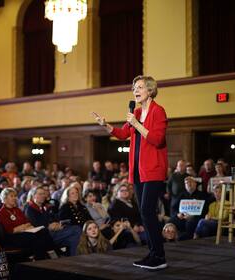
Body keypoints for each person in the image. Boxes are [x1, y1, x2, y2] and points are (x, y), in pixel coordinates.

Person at [93, 75, 168, 270]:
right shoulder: (136, 111)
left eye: (140, 87)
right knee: (145, 213)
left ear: (150, 90)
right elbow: (123, 133)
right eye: (134, 87)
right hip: (138, 171)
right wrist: (106, 125)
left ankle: (159, 256)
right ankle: (153, 253)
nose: (135, 90)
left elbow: (157, 140)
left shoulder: (158, 111)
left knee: (147, 211)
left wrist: (136, 124)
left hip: (153, 170)